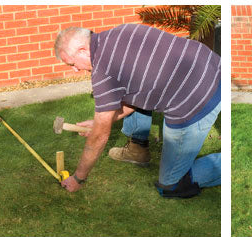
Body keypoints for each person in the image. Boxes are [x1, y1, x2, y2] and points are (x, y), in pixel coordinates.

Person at [53, 24, 221, 198]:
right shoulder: (121, 31)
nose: (75, 69)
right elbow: (135, 94)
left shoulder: (103, 73)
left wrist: (78, 178)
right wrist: (100, 122)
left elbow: (99, 137)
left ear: (83, 51)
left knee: (171, 184)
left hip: (196, 101)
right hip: (215, 66)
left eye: (72, 64)